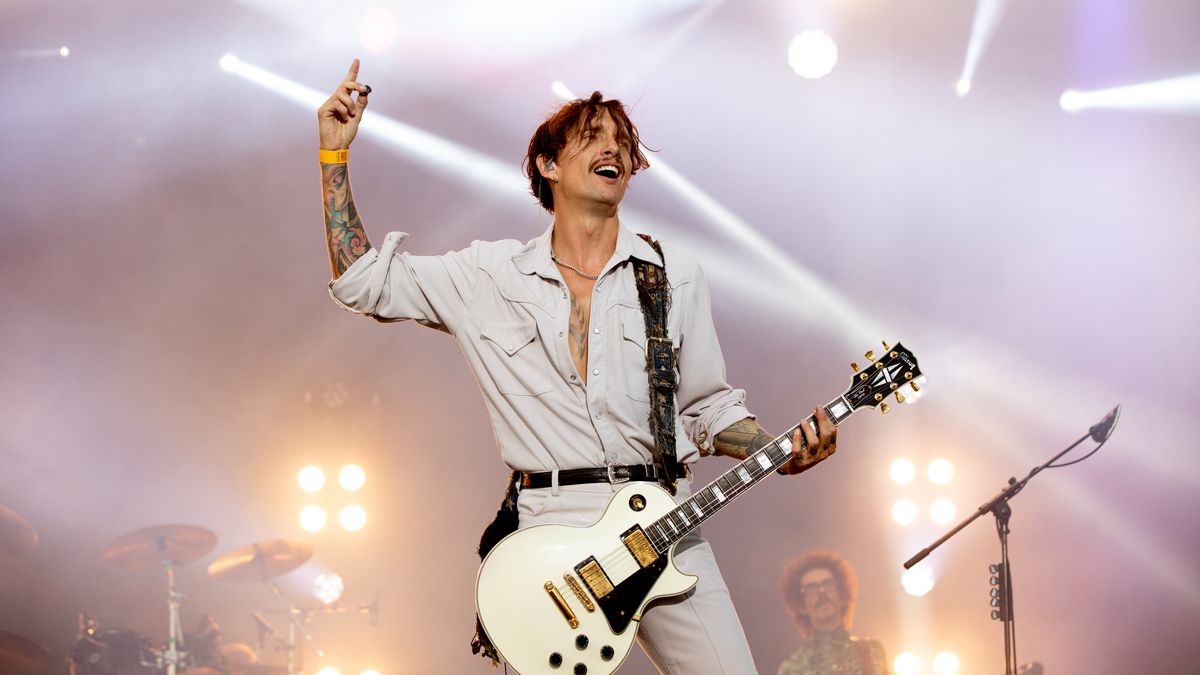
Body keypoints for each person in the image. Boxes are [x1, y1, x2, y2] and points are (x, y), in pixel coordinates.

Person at [317, 59, 841, 674]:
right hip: (549, 536)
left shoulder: (673, 276)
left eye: (622, 143)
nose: (612, 149)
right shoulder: (490, 275)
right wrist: (334, 159)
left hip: (665, 519)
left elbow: (706, 408)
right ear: (548, 165)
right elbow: (361, 281)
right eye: (593, 138)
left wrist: (778, 446)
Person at [778, 551, 890, 675]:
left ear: (841, 595)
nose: (822, 591)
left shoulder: (871, 651)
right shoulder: (793, 668)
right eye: (812, 588)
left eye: (828, 583)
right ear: (801, 606)